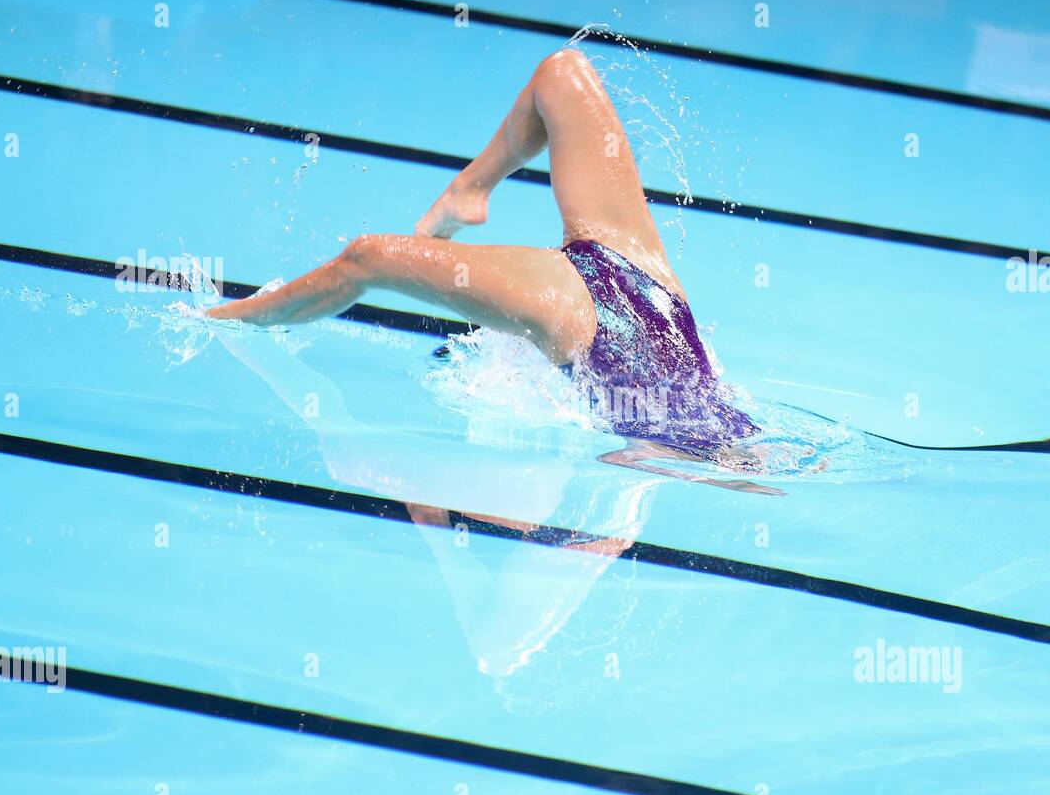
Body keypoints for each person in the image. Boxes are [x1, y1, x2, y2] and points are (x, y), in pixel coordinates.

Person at [207, 48, 779, 495]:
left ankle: (234, 318)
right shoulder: (674, 436)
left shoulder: (670, 440)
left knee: (367, 257)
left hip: (629, 285)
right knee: (561, 74)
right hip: (620, 281)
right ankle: (467, 190)